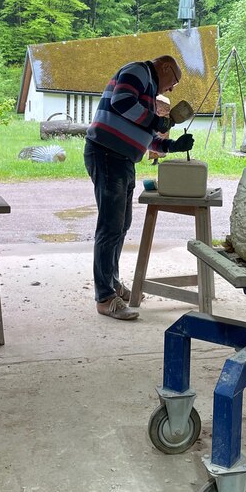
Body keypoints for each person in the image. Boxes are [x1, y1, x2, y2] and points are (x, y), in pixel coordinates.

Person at [84, 54, 194, 321]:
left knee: (121, 225)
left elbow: (146, 136)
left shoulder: (147, 89)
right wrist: (157, 121)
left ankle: (112, 283)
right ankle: (104, 297)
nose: (171, 89)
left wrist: (171, 145)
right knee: (110, 226)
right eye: (174, 82)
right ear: (165, 67)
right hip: (107, 153)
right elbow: (121, 102)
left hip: (121, 158)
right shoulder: (138, 72)